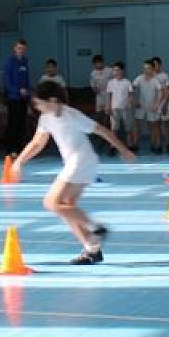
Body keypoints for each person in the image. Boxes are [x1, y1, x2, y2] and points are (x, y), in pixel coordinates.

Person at [11, 80, 136, 265]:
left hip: (82, 161)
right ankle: (92, 249)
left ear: (53, 100)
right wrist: (20, 161)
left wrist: (123, 149)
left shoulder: (72, 115)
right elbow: (37, 142)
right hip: (77, 163)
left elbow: (101, 130)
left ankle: (96, 228)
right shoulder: (45, 118)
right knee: (67, 208)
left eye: (39, 102)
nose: (36, 106)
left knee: (51, 202)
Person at [2, 39, 31, 154]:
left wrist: (28, 92)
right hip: (13, 98)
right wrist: (18, 91)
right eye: (19, 48)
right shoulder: (9, 61)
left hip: (23, 98)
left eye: (23, 49)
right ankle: (11, 149)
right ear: (14, 48)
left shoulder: (25, 61)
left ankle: (19, 148)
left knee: (21, 124)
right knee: (13, 124)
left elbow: (26, 79)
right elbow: (7, 82)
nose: (21, 51)